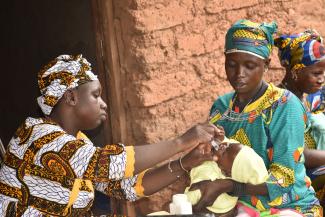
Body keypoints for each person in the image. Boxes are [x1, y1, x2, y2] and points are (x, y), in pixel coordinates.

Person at [0, 54, 221, 216]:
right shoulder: (40, 138)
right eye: (96, 95)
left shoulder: (77, 142)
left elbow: (127, 187)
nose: (103, 104)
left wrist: (186, 162)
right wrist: (182, 141)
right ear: (71, 97)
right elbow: (111, 163)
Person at [188, 20, 322, 216]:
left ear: (266, 65)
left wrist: (227, 186)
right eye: (231, 65)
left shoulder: (285, 105)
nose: (239, 74)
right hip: (236, 205)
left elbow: (283, 180)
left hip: (290, 206)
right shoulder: (221, 107)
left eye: (250, 66)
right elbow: (211, 160)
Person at [275, 30, 325, 206]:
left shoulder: (311, 97)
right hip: (289, 176)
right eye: (316, 73)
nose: (322, 79)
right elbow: (298, 154)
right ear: (296, 72)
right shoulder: (281, 103)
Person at [185, 142, 268, 217]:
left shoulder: (208, 176)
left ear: (228, 172)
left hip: (212, 208)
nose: (223, 145)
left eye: (224, 152)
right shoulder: (229, 159)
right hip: (227, 207)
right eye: (229, 144)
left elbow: (189, 198)